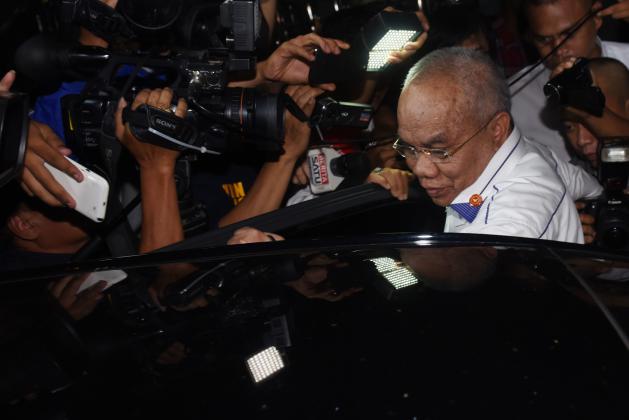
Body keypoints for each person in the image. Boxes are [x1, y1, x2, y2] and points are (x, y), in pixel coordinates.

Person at [383, 47, 600, 243]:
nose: (421, 169)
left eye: (439, 150)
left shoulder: (513, 226)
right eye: (409, 148)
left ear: (497, 129)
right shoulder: (530, 153)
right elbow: (591, 188)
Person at [510, 0, 629, 162]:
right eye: (544, 39)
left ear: (596, 18)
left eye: (569, 34)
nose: (558, 49)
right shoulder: (516, 98)